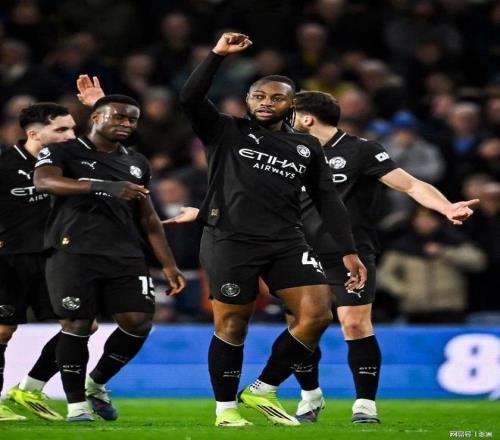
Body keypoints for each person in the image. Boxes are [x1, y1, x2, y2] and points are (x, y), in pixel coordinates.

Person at [168, 90, 479, 424]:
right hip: (297, 250)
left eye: (289, 111)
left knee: (355, 323)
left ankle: (364, 405)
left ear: (305, 117)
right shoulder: (282, 148)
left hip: (349, 251)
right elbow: (251, 196)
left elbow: (411, 185)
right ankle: (310, 394)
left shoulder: (361, 150)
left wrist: (447, 207)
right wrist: (205, 212)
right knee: (303, 326)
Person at [178, 32, 366, 427]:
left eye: (276, 98)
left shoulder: (306, 147)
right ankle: (225, 410)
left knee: (317, 314)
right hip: (229, 238)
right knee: (233, 324)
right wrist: (216, 55)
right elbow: (190, 97)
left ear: (290, 105)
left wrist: (349, 250)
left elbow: (328, 200)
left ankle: (263, 388)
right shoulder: (224, 130)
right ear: (247, 101)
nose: (266, 102)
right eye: (259, 96)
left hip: (286, 239)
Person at [33, 94, 186, 422]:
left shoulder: (137, 163)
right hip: (73, 250)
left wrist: (169, 264)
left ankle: (96, 382)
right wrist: (103, 186)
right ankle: (76, 405)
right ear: (95, 117)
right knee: (77, 324)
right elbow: (44, 181)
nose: (125, 124)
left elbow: (149, 218)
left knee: (139, 322)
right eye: (118, 117)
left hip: (126, 253)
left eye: (131, 119)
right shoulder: (63, 150)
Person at [0, 103, 76, 421]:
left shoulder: (69, 165)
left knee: (80, 324)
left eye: (72, 128)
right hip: (10, 260)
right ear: (34, 134)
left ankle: (29, 388)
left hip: (55, 259)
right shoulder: (5, 165)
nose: (70, 135)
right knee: (3, 330)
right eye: (61, 129)